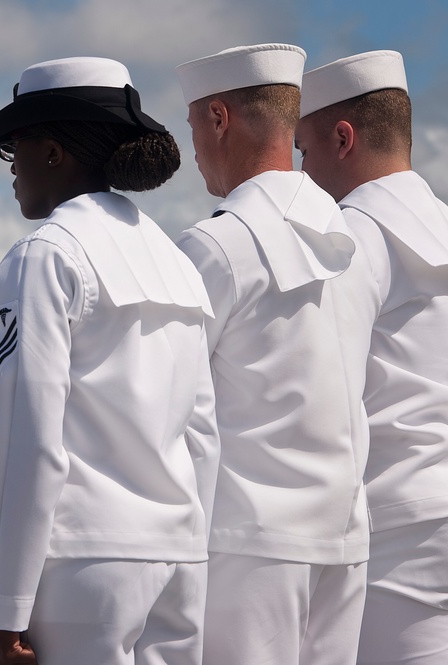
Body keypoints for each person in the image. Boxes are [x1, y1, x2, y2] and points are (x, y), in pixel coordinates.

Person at [0, 56, 219, 665]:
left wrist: (4, 608)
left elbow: (31, 441)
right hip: (177, 556)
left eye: (17, 151)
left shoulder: (43, 255)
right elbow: (204, 434)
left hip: (80, 564)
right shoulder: (176, 260)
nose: (12, 172)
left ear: (53, 153)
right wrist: (190, 542)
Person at [174, 44, 381, 664]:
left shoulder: (216, 243)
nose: (193, 152)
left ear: (219, 118)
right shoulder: (353, 238)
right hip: (345, 538)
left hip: (250, 548)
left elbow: (176, 409)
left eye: (194, 128)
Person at [297, 51, 448, 665]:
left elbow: (319, 399)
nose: (302, 172)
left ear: (343, 137)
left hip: (392, 526)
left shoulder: (348, 238)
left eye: (303, 152)